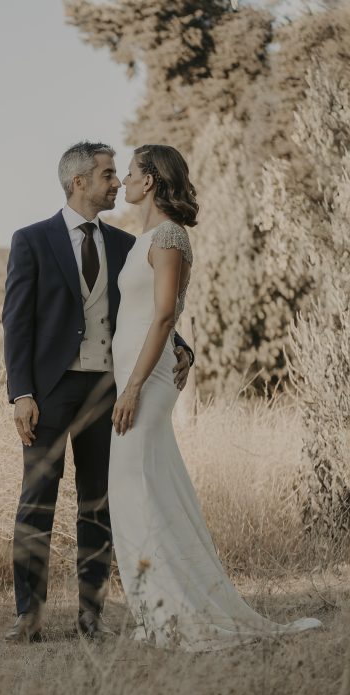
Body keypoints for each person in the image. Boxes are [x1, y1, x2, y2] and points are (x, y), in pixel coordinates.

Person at [107, 144, 320, 651]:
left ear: (152, 181)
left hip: (145, 384)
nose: (123, 181)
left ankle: (172, 617)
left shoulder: (168, 237)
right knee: (143, 495)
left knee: (139, 494)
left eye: (131, 173)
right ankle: (157, 612)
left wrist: (134, 386)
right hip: (135, 376)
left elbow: (163, 316)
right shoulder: (147, 238)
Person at [1, 141, 193, 642]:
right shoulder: (32, 240)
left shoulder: (125, 244)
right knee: (36, 499)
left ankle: (91, 615)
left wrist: (182, 346)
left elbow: (150, 308)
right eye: (108, 175)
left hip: (109, 390)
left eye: (118, 174)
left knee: (97, 504)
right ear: (79, 181)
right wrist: (21, 393)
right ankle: (29, 615)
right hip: (49, 391)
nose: (116, 183)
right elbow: (16, 323)